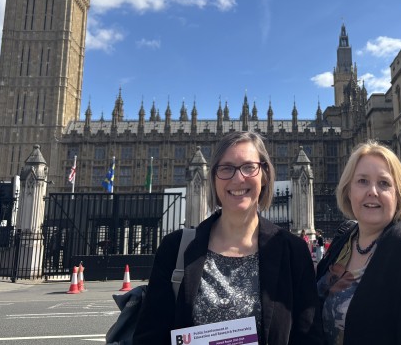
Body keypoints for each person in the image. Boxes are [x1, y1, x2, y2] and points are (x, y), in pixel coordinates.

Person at [133, 131, 323, 345]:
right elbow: (149, 336)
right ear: (212, 178)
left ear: (265, 174)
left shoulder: (293, 252)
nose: (238, 178)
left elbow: (309, 337)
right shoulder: (176, 249)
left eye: (249, 167)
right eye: (226, 168)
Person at [315, 141, 401, 344]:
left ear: (398, 194)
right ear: (348, 190)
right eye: (362, 181)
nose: (372, 191)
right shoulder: (344, 239)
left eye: (384, 183)